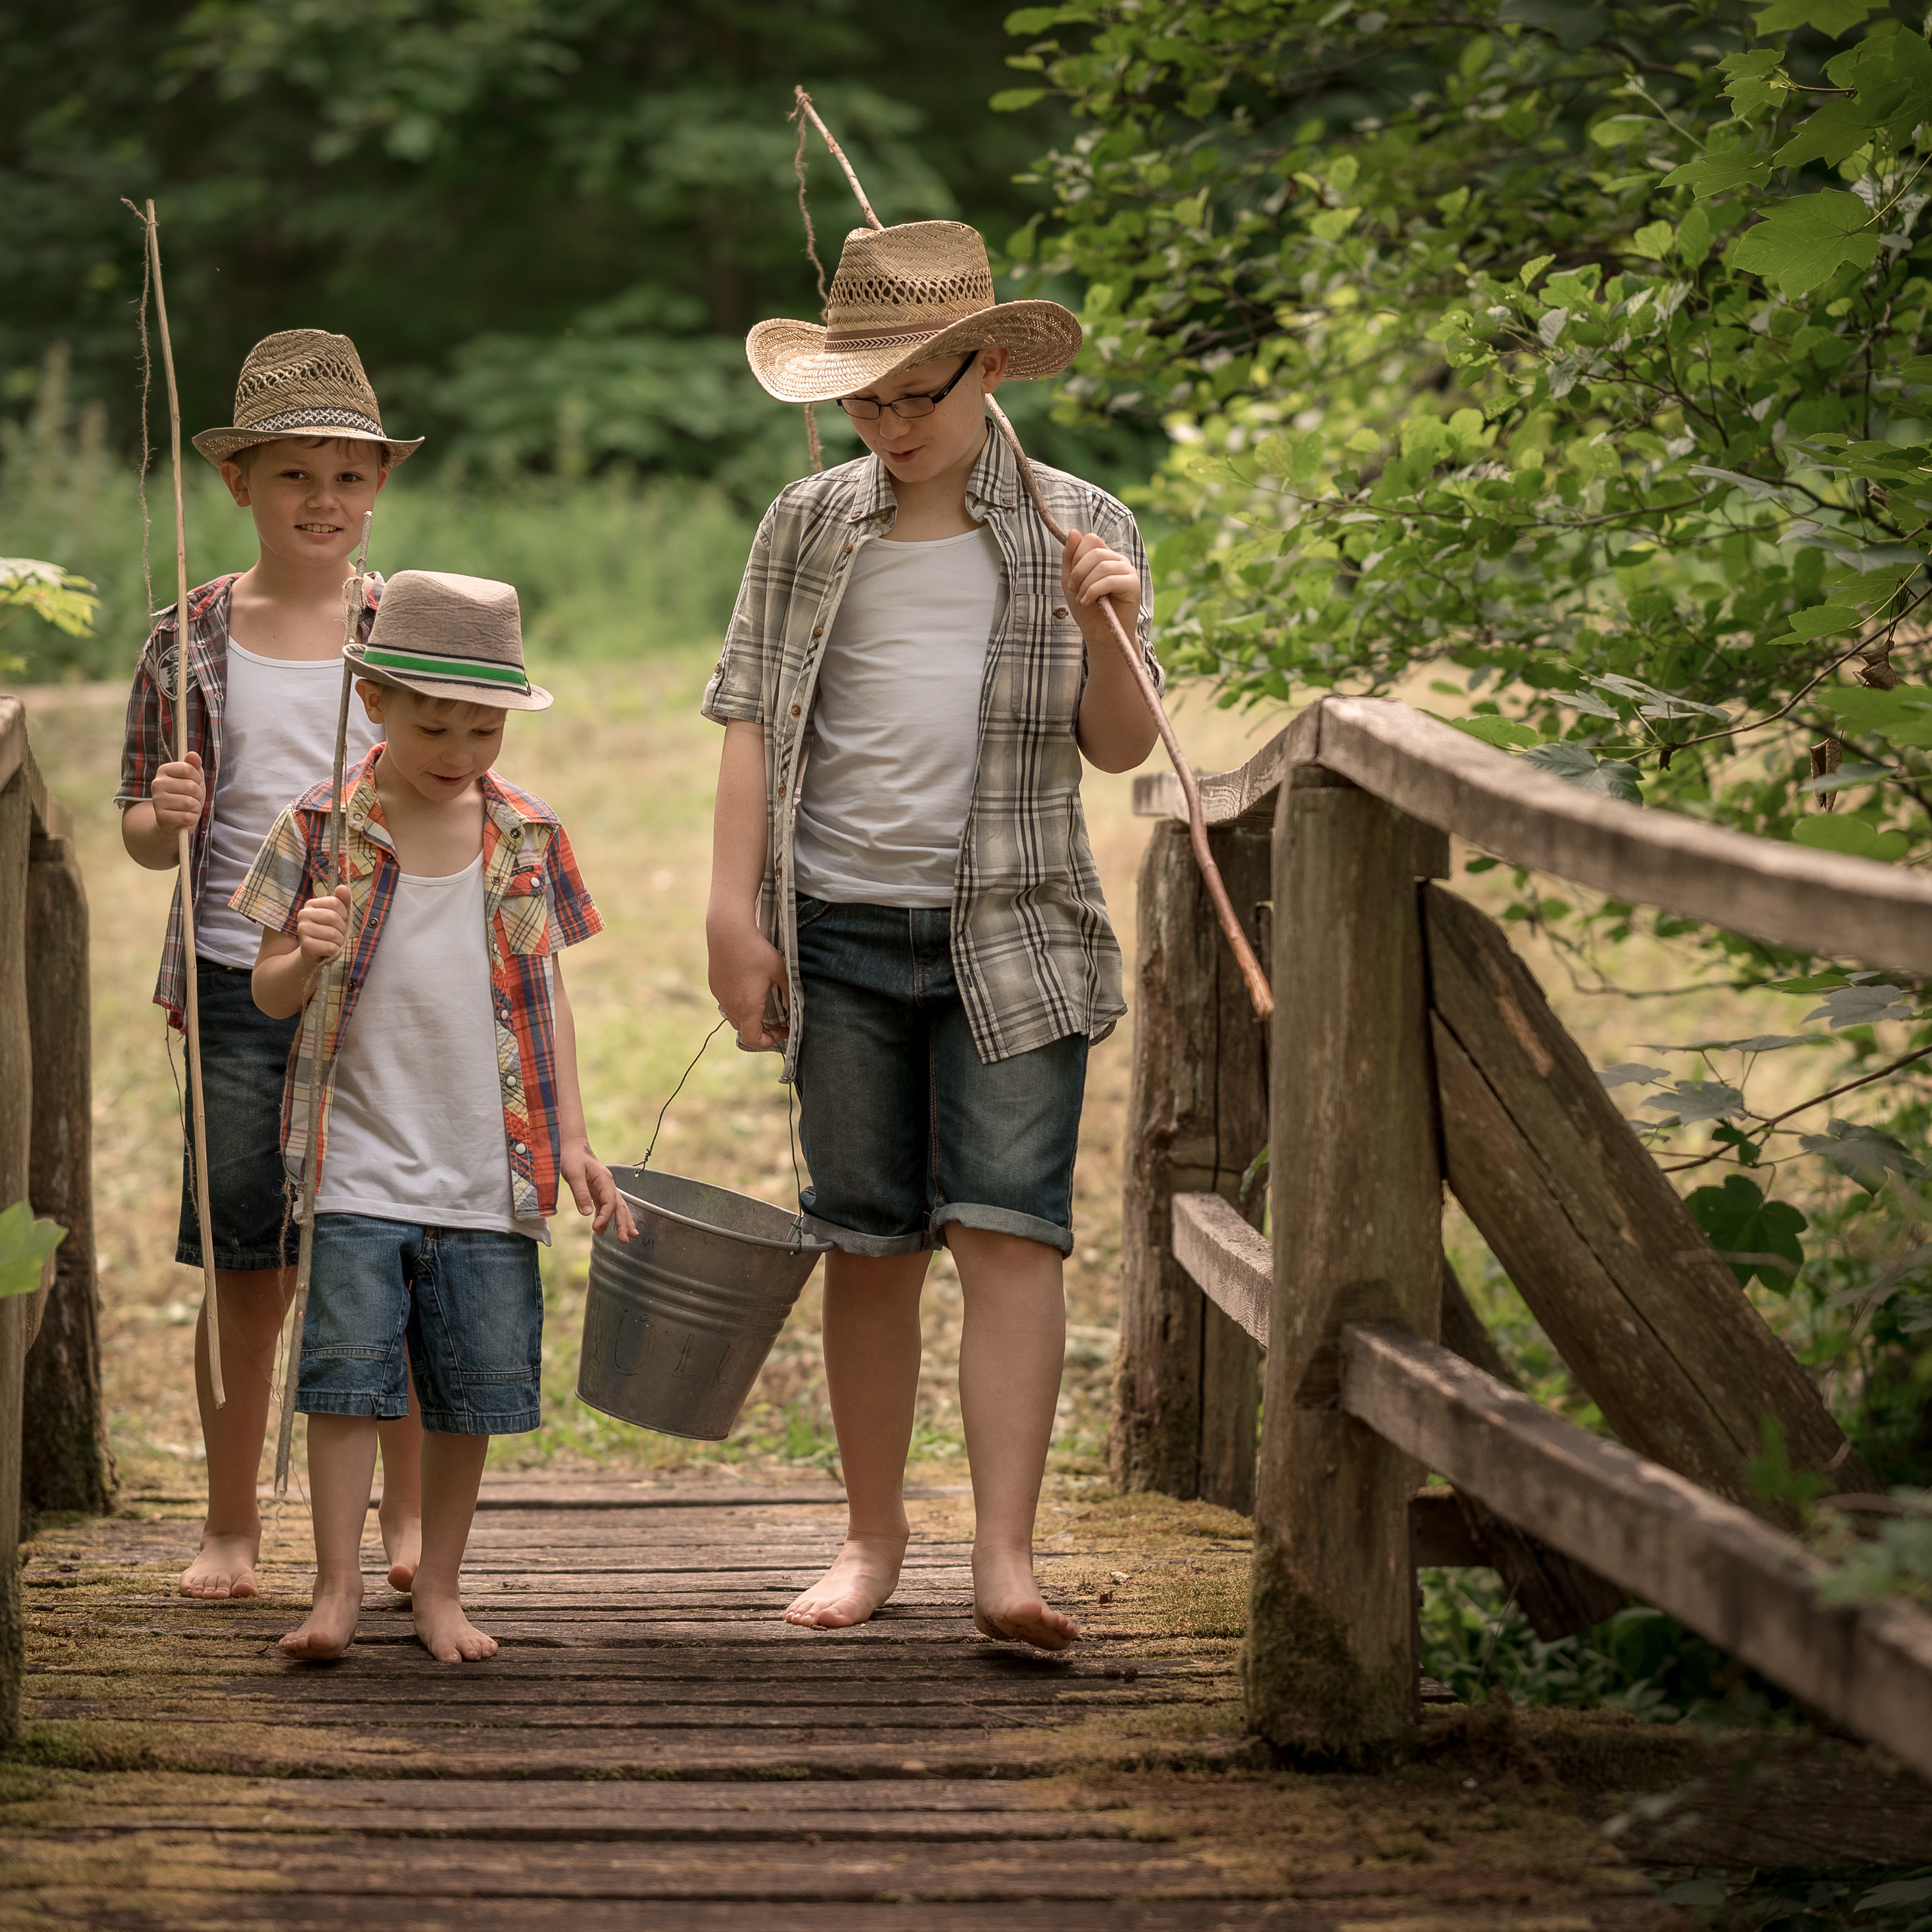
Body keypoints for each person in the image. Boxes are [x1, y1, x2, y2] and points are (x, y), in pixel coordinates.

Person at [704, 220, 1158, 1651]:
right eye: (865, 398)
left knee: (1010, 1233)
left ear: (994, 366)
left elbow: (1117, 746)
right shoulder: (808, 522)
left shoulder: (1083, 529)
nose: (891, 425)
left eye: (919, 392)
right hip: (839, 927)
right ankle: (870, 1536)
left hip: (1015, 934)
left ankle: (1005, 1559)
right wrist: (736, 909)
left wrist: (1113, 625)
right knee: (869, 1240)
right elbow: (754, 717)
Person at [233, 568, 634, 1663]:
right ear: (374, 702)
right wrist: (301, 954)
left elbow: (545, 1002)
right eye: (433, 725)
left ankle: (443, 1588)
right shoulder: (321, 824)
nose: (458, 751)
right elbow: (266, 989)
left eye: (483, 728)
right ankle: (334, 1591)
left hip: (488, 1164)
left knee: (470, 1391)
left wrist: (577, 1143)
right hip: (357, 1158)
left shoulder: (528, 834)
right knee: (346, 1381)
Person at [115, 329, 429, 1602]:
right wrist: (167, 813)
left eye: (349, 477)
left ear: (378, 489)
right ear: (238, 484)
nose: (324, 502)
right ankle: (233, 1523)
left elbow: (464, 779)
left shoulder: (404, 626)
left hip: (386, 987)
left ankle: (409, 1525)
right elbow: (139, 832)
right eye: (295, 475)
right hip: (241, 988)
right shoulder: (187, 635)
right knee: (252, 1261)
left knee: (394, 1243)